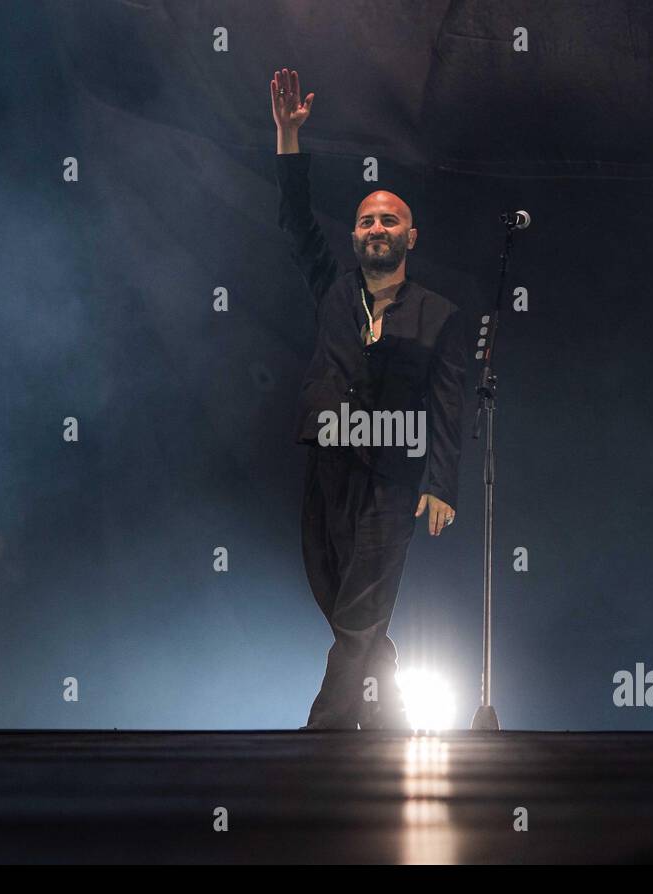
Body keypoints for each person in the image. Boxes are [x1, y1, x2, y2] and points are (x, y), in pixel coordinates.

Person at [271, 67, 468, 730]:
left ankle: (324, 725)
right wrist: (288, 139)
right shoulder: (331, 287)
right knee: (332, 585)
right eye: (366, 220)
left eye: (389, 220)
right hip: (328, 457)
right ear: (355, 237)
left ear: (411, 237)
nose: (376, 227)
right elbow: (296, 223)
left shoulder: (438, 314)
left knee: (361, 602)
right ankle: (389, 718)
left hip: (393, 471)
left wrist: (442, 482)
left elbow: (449, 402)